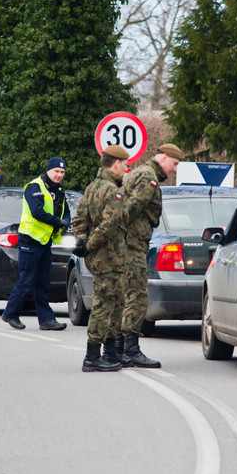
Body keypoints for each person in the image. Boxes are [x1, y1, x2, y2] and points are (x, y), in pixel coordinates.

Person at [119, 143, 184, 368]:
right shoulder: (149, 177)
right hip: (132, 246)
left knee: (128, 295)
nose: (174, 169)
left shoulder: (139, 172)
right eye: (174, 164)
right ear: (163, 158)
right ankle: (129, 349)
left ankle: (120, 348)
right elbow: (128, 209)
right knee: (137, 297)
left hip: (129, 244)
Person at [72, 145, 130, 372]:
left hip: (100, 258)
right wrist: (88, 244)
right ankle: (93, 357)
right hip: (109, 258)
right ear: (116, 164)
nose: (126, 168)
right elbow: (110, 224)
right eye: (125, 164)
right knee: (105, 306)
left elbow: (79, 219)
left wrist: (82, 240)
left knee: (114, 304)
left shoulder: (91, 188)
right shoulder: (112, 191)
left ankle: (111, 354)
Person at [1, 156, 71, 331]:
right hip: (29, 241)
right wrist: (58, 222)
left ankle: (46, 320)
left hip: (44, 242)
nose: (59, 175)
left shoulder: (58, 189)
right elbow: (37, 212)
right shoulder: (34, 187)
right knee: (27, 280)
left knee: (43, 283)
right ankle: (10, 313)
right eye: (56, 171)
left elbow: (66, 211)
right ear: (48, 170)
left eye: (62, 172)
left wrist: (66, 222)